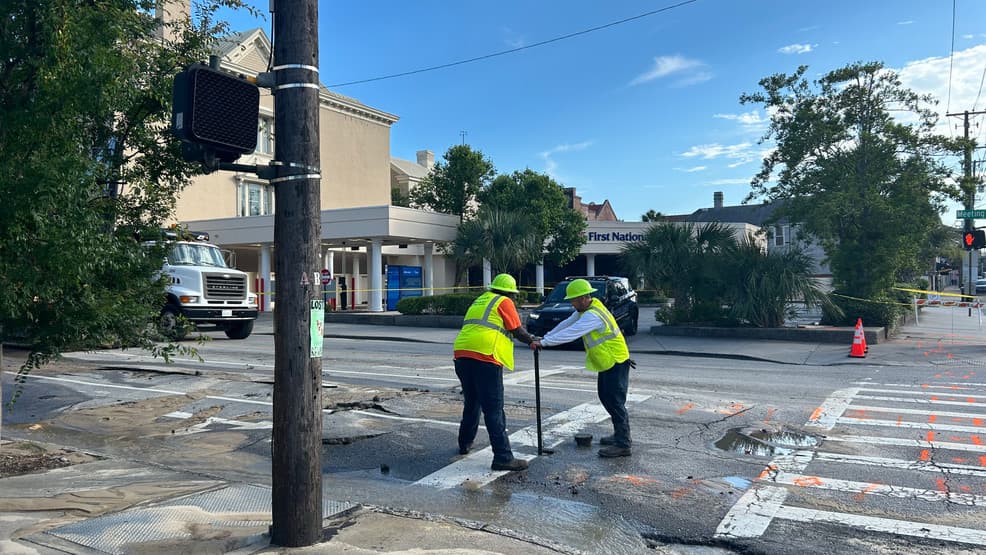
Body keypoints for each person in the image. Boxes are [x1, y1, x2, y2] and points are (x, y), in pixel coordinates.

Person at [531, 278, 634, 458]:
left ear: (583, 298)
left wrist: (544, 343)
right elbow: (566, 324)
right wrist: (544, 337)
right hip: (607, 362)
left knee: (615, 401)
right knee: (606, 397)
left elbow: (572, 332)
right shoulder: (586, 309)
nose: (572, 303)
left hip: (616, 361)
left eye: (573, 300)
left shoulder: (592, 315)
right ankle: (619, 434)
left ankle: (623, 443)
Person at [453, 273, 537, 471]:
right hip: (486, 356)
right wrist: (532, 340)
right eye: (513, 294)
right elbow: (516, 329)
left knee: (472, 402)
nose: (514, 297)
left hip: (462, 354)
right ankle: (503, 457)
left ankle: (464, 443)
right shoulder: (504, 301)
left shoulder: (480, 300)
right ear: (509, 292)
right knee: (494, 409)